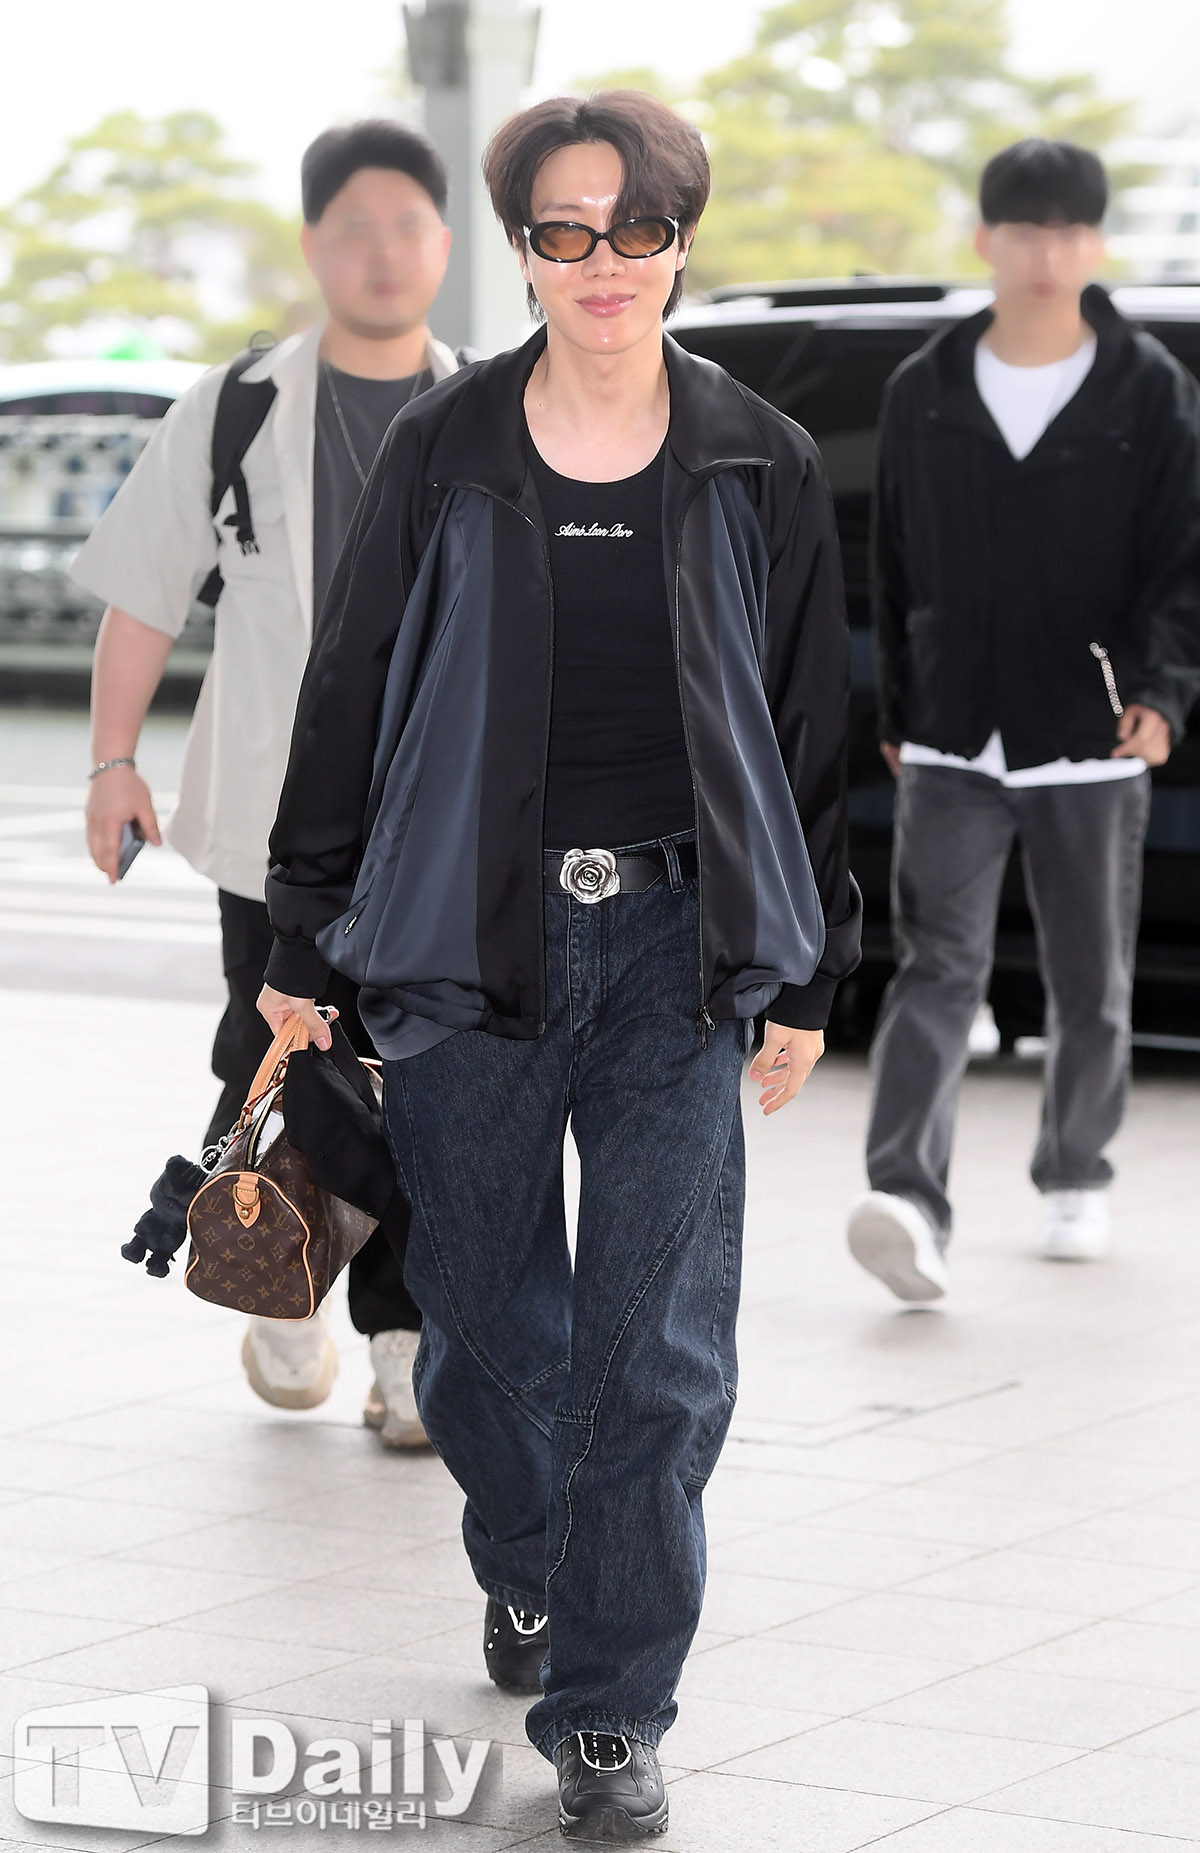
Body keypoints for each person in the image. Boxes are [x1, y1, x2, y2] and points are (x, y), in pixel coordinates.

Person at [257, 88, 861, 1843]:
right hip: (466, 932)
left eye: (638, 227)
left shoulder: (757, 454)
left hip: (682, 943)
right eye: (566, 230)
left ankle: (610, 1706)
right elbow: (349, 686)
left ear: (682, 241)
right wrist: (302, 927)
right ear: (522, 248)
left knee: (657, 1347)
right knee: (480, 1332)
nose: (606, 261)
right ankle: (530, 1555)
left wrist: (809, 967)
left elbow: (811, 727)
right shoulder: (448, 445)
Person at [76, 120, 465, 1440]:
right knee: (273, 1046)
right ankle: (277, 1272)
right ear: (312, 246)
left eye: (407, 226)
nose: (382, 253)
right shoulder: (236, 406)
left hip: (442, 822)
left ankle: (403, 1339)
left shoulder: (492, 405)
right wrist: (113, 763)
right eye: (354, 228)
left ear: (444, 245)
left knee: (423, 1074)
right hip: (271, 816)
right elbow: (143, 594)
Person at [848, 139, 1200, 1304]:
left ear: (1095, 244)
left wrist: (1161, 692)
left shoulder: (1149, 389)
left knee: (1090, 977)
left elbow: (1183, 562)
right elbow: (894, 561)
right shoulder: (925, 387)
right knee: (936, 968)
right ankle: (906, 1196)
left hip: (1091, 732)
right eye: (1025, 231)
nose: (1047, 254)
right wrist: (903, 707)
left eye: (1068, 231)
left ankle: (1076, 1171)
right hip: (952, 730)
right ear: (986, 240)